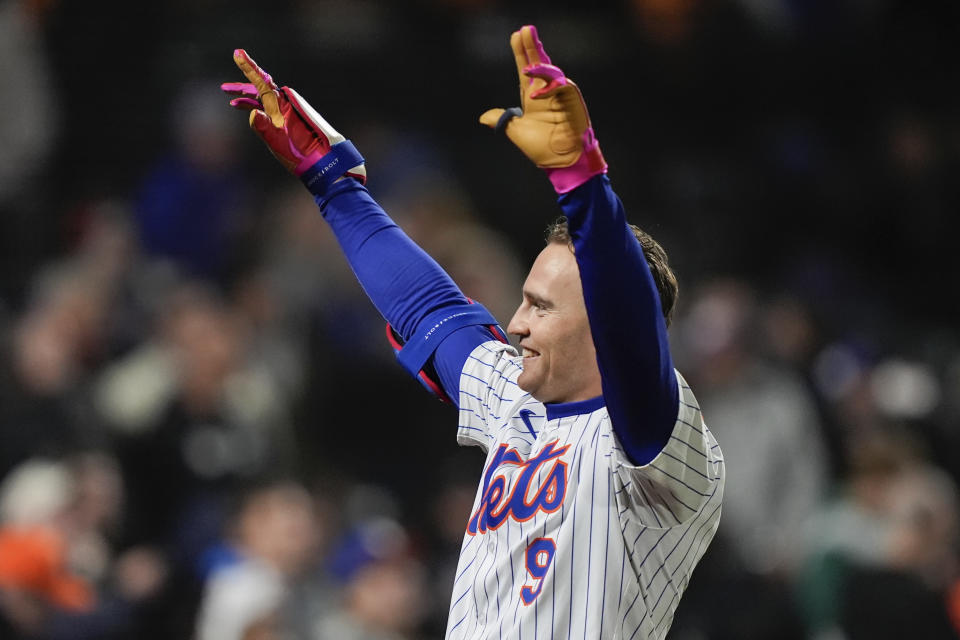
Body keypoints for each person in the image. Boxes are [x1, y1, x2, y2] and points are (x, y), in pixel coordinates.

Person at [222, 24, 724, 639]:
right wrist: (332, 185)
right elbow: (430, 307)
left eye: (541, 307)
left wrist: (584, 185)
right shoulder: (514, 395)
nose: (515, 323)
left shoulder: (652, 440)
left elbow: (633, 332)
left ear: (603, 325)